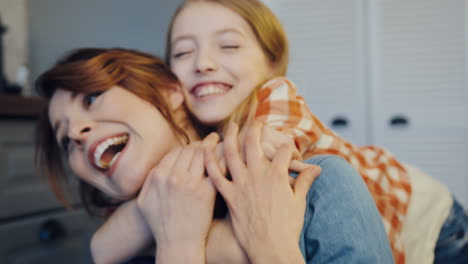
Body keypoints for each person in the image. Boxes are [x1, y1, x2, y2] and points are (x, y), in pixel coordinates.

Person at [165, 0, 468, 263]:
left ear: (272, 62)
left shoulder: (277, 93)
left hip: (426, 216)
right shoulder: (185, 126)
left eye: (229, 46)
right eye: (182, 53)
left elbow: (267, 147)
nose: (202, 63)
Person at [35, 48, 393, 263]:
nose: (76, 134)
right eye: (64, 139)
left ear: (169, 90)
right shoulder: (114, 244)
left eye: (92, 98)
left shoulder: (314, 187)